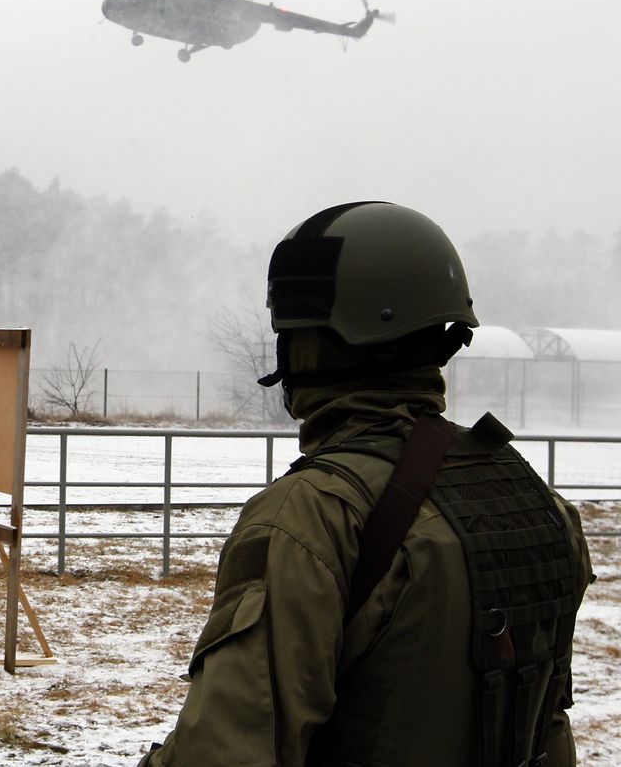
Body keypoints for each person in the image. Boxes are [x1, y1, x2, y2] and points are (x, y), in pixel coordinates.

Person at [140, 201, 593, 767]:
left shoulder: (311, 516)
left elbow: (228, 750)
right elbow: (548, 729)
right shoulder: (539, 501)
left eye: (294, 332)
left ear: (319, 344)